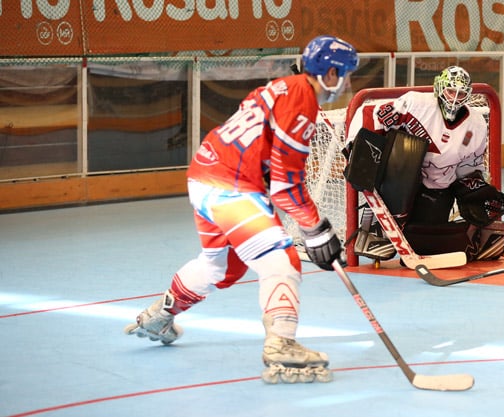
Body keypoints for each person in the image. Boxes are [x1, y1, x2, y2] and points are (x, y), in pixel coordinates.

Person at [124, 35, 358, 384]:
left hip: (204, 176)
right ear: (330, 72)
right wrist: (316, 229)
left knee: (220, 266)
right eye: (347, 74)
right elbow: (285, 186)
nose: (349, 82)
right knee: (282, 258)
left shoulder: (279, 87)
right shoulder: (302, 100)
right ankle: (281, 343)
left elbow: (256, 141)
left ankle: (160, 314)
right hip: (229, 186)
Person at [344, 65, 504, 263]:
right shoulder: (415, 103)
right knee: (407, 148)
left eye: (461, 93)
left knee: (423, 243)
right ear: (439, 88)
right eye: (450, 91)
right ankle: (378, 229)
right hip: (399, 177)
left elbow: (468, 166)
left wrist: (474, 188)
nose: (455, 98)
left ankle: (422, 238)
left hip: (436, 188)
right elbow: (370, 113)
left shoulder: (476, 124)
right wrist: (358, 150)